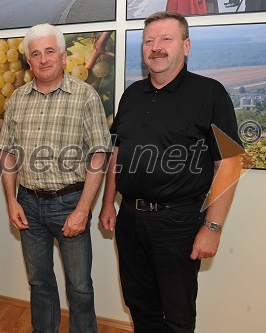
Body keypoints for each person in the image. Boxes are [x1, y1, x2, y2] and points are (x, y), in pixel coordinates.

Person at [99, 11, 242, 333]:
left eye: (166, 39)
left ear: (186, 46)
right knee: (139, 304)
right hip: (130, 219)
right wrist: (109, 203)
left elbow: (230, 162)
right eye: (149, 40)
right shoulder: (132, 94)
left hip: (178, 222)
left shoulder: (210, 93)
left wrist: (213, 227)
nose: (156, 47)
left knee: (177, 313)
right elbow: (117, 152)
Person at [0, 23, 111, 333]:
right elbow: (7, 152)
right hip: (28, 205)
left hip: (70, 203)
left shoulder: (85, 96)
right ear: (29, 61)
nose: (44, 59)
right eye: (36, 54)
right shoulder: (18, 98)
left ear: (63, 56)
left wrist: (83, 209)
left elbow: (99, 156)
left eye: (50, 52)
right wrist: (11, 201)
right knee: (39, 282)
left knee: (79, 286)